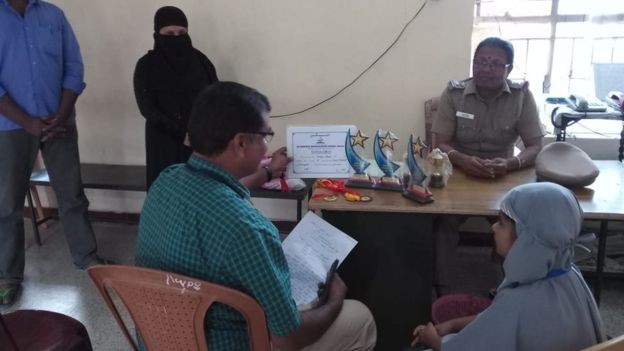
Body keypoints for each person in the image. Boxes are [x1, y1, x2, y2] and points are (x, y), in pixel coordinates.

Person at [135, 81, 376, 350]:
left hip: (159, 336)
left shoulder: (166, 180)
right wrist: (335, 300)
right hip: (225, 343)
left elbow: (221, 189)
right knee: (359, 317)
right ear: (240, 143)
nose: (266, 146)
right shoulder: (247, 228)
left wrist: (269, 173)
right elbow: (288, 338)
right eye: (265, 136)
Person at [412, 182, 606, 351]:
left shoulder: (521, 300)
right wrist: (453, 324)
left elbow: (477, 346)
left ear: (527, 240)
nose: (493, 227)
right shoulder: (569, 275)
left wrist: (436, 341)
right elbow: (498, 319)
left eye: (502, 224)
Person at [0, 0, 105, 305]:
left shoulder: (53, 15)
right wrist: (28, 122)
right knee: (7, 203)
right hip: (10, 126)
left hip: (59, 119)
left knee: (71, 192)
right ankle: (7, 275)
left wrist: (62, 112)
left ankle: (87, 257)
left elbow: (74, 66)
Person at [431, 37, 546, 293]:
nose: (486, 68)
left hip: (504, 176)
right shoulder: (454, 93)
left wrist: (510, 163)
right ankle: (444, 287)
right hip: (459, 173)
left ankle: (509, 284)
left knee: (518, 219)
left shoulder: (521, 96)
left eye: (495, 63)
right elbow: (440, 143)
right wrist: (463, 160)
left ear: (509, 69)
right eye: (481, 62)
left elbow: (535, 146)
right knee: (443, 221)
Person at [133, 6, 218, 189]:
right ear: (157, 34)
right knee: (166, 193)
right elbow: (147, 108)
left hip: (200, 143)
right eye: (169, 33)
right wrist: (181, 134)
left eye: (182, 32)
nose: (176, 38)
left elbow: (215, 98)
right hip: (164, 142)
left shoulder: (202, 62)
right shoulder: (147, 66)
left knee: (201, 194)